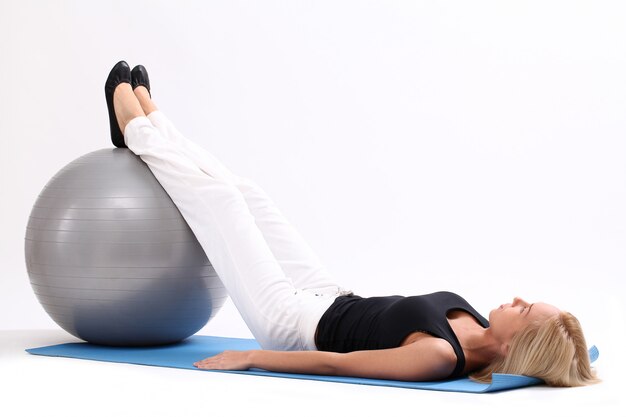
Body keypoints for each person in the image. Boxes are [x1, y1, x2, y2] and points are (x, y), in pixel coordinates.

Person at [104, 60, 599, 387]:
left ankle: (137, 128)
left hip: (291, 324)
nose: (515, 298)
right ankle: (159, 128)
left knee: (223, 202)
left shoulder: (441, 358)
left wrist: (251, 357)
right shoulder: (479, 326)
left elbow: (336, 365)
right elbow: (575, 360)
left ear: (515, 344)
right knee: (251, 194)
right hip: (332, 296)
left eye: (525, 306)